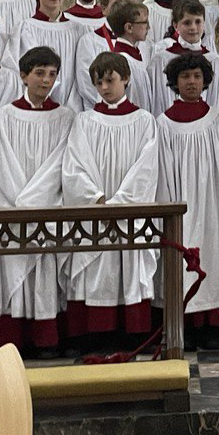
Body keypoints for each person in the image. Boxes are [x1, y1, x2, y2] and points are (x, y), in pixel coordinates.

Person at [0, 46, 75, 355]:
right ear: (23, 75)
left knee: (43, 269)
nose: (45, 80)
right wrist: (20, 202)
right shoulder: (3, 116)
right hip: (10, 207)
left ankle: (43, 339)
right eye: (39, 73)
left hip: (45, 208)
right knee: (9, 262)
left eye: (52, 74)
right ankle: (6, 339)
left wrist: (34, 200)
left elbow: (61, 163)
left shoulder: (65, 117)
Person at [61, 51, 159, 342]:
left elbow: (147, 167)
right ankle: (95, 335)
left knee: (129, 267)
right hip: (97, 212)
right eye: (98, 82)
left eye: (110, 80)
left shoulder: (143, 120)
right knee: (96, 271)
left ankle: (132, 334)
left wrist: (123, 202)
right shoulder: (84, 121)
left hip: (130, 213)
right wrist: (98, 199)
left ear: (126, 79)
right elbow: (74, 165)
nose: (104, 87)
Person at [156, 52, 219, 350]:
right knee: (183, 259)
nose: (191, 82)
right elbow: (163, 170)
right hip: (181, 201)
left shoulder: (216, 118)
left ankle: (212, 325)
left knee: (212, 257)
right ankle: (186, 328)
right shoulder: (164, 123)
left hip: (213, 199)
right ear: (174, 82)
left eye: (196, 76)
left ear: (205, 80)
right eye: (185, 77)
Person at [148, 0, 219, 120]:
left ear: (204, 23)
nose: (193, 27)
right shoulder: (161, 60)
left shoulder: (214, 61)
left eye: (198, 22)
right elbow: (153, 101)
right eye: (187, 22)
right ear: (175, 25)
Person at [7, 0, 82, 106]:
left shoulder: (76, 29)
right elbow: (20, 67)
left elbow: (80, 70)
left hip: (72, 103)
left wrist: (73, 103)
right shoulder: (26, 28)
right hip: (36, 102)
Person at [75, 0, 152, 111]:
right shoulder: (119, 63)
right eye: (145, 23)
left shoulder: (134, 56)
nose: (148, 27)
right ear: (129, 27)